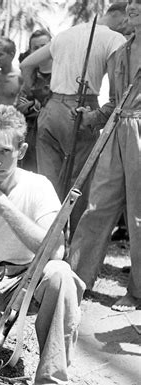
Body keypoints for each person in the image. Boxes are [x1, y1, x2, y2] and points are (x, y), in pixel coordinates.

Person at [0, 104, 84, 385]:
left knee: (61, 276)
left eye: (5, 151)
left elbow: (55, 250)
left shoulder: (38, 187)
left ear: (22, 148)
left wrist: (5, 207)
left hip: (26, 281)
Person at [20, 4, 127, 233]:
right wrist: (96, 117)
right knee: (79, 185)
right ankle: (74, 254)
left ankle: (47, 247)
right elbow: (117, 95)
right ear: (122, 16)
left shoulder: (66, 34)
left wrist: (34, 93)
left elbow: (26, 64)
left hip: (51, 110)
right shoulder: (115, 38)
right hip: (80, 110)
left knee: (48, 187)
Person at [69, 0, 140, 312]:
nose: (135, 7)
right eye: (133, 3)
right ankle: (74, 280)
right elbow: (115, 102)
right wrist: (91, 117)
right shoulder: (119, 53)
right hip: (115, 131)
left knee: (139, 215)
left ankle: (137, 292)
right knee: (97, 206)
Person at [16, 29, 52, 173]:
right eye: (35, 48)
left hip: (53, 135)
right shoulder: (28, 78)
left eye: (44, 46)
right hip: (32, 134)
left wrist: (32, 105)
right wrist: (35, 106)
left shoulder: (62, 75)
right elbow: (19, 107)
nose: (40, 51)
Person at [0, 38, 23, 107]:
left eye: (0, 55)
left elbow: (24, 101)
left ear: (12, 55)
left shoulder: (19, 77)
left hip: (13, 116)